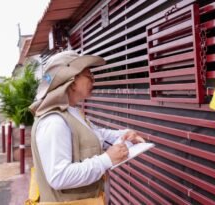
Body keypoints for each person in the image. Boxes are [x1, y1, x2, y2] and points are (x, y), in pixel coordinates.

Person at [28, 50, 145, 204]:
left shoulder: (71, 111)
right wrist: (106, 160)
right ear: (71, 80)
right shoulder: (54, 122)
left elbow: (96, 134)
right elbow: (59, 176)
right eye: (88, 75)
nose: (93, 79)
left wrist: (124, 135)